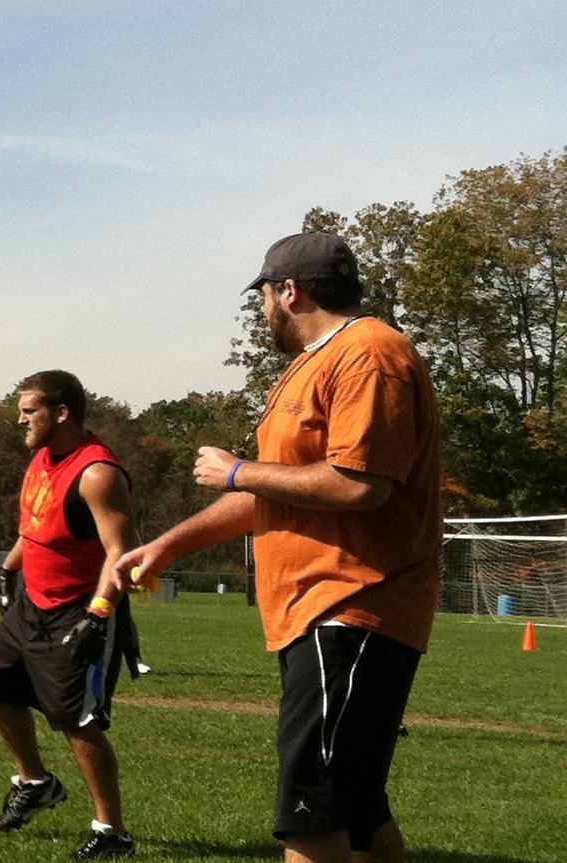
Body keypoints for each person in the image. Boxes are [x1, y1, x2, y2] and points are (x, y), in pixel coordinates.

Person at [117, 233, 442, 863]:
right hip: (316, 613)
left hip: (350, 606)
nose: (263, 309)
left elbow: (360, 484)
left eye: (263, 295)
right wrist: (167, 545)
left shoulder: (369, 354)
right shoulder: (313, 365)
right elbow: (280, 489)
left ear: (288, 291)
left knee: (312, 822)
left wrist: (238, 470)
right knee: (359, 814)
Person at [0, 370, 142, 858]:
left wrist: (101, 613)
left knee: (75, 721)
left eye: (29, 411)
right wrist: (7, 571)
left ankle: (113, 833)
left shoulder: (98, 473)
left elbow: (121, 551)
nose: (20, 420)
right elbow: (35, 525)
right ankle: (36, 782)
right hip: (32, 605)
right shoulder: (41, 459)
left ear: (60, 413)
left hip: (78, 612)